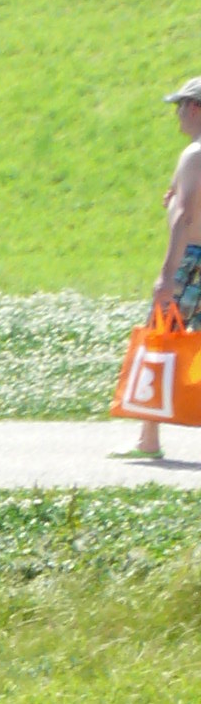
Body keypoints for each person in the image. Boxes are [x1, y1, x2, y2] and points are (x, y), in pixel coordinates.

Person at [131, 73, 201, 462]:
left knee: (160, 338)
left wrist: (167, 275)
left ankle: (149, 438)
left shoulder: (194, 154)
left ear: (195, 108)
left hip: (191, 261)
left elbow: (185, 216)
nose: (177, 115)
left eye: (179, 107)